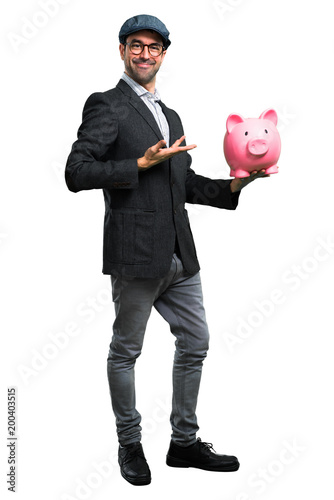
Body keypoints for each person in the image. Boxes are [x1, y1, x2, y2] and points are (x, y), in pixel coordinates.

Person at [65, 14, 269, 486]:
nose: (144, 54)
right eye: (135, 45)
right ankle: (129, 442)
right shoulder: (107, 105)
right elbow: (76, 171)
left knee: (196, 343)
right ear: (121, 50)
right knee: (125, 352)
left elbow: (180, 181)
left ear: (163, 55)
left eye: (153, 48)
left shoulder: (170, 115)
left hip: (180, 255)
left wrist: (234, 186)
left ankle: (183, 443)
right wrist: (137, 163)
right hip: (135, 255)